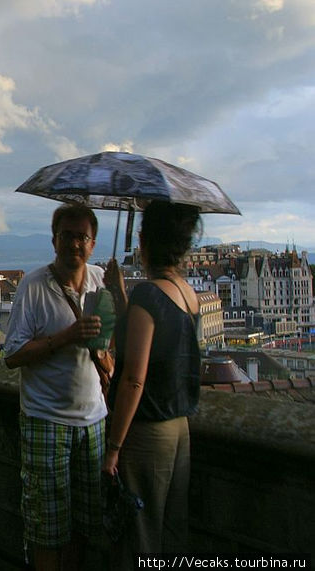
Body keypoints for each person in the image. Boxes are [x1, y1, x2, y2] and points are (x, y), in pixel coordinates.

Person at [4, 203, 123, 571]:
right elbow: (12, 354)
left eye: (82, 237)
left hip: (94, 422)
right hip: (46, 421)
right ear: (54, 240)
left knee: (86, 526)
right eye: (68, 235)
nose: (75, 243)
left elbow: (115, 347)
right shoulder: (34, 285)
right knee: (47, 528)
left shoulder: (102, 281)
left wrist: (106, 354)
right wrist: (66, 336)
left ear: (93, 243)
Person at [103, 201, 202, 566]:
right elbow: (160, 344)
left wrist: (113, 447)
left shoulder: (149, 294)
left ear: (142, 241)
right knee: (172, 531)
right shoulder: (187, 294)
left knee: (141, 535)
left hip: (148, 431)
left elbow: (134, 378)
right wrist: (118, 293)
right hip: (180, 427)